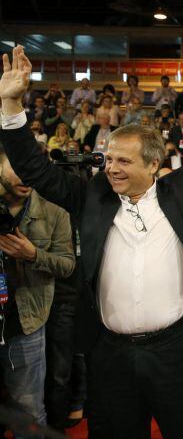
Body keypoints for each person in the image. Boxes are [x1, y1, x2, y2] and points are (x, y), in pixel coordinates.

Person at [0, 45, 183, 439]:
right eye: (108, 159)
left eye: (124, 161)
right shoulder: (91, 196)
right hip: (110, 355)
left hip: (175, 353)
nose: (112, 168)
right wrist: (11, 105)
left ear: (154, 165)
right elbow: (35, 169)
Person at [0, 145, 75, 438]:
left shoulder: (54, 209)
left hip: (26, 324)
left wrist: (33, 255)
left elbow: (67, 265)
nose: (25, 176)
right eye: (17, 167)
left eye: (31, 169)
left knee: (29, 411)